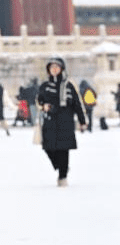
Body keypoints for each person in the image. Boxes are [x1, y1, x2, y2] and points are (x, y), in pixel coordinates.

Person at [37, 56, 87, 187]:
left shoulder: (69, 85)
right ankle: (60, 166)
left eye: (56, 67)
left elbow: (77, 104)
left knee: (63, 149)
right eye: (51, 67)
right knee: (48, 148)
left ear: (61, 69)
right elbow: (38, 101)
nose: (54, 69)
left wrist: (82, 121)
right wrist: (43, 106)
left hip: (65, 121)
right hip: (50, 122)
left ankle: (62, 176)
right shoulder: (45, 85)